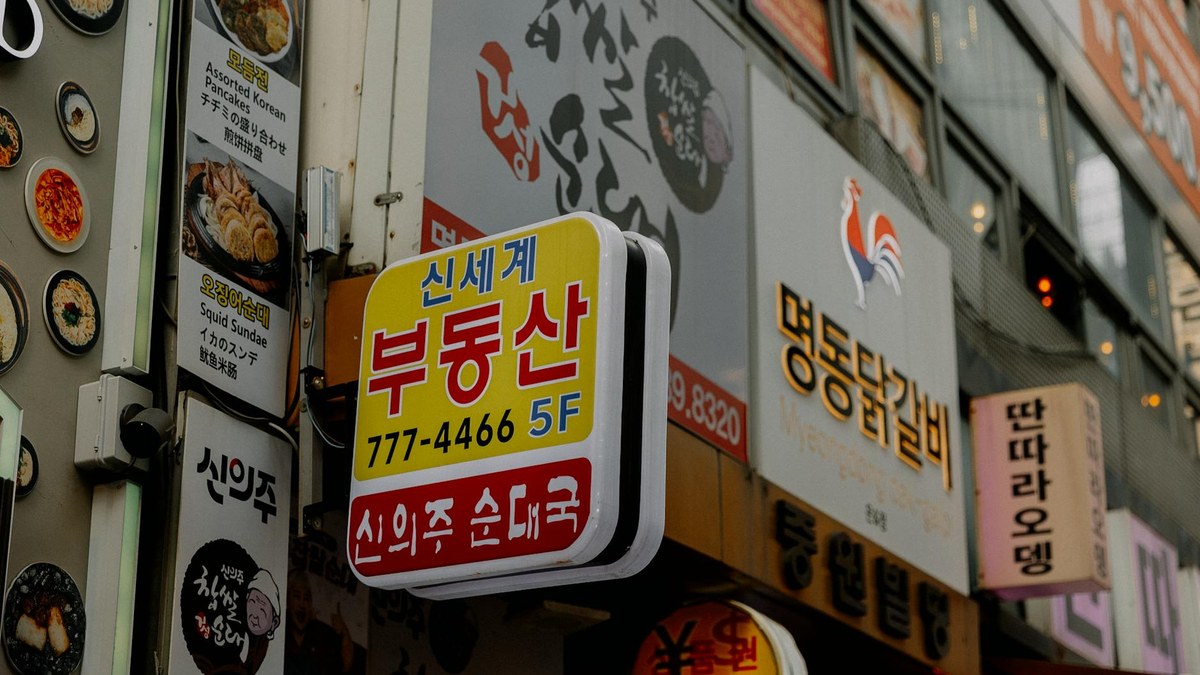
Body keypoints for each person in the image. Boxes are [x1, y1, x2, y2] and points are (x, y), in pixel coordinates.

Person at [284, 569, 365, 675]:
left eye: (306, 598)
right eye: (297, 597)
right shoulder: (279, 633)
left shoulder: (320, 636)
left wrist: (344, 633)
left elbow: (345, 665)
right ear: (288, 600)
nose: (302, 604)